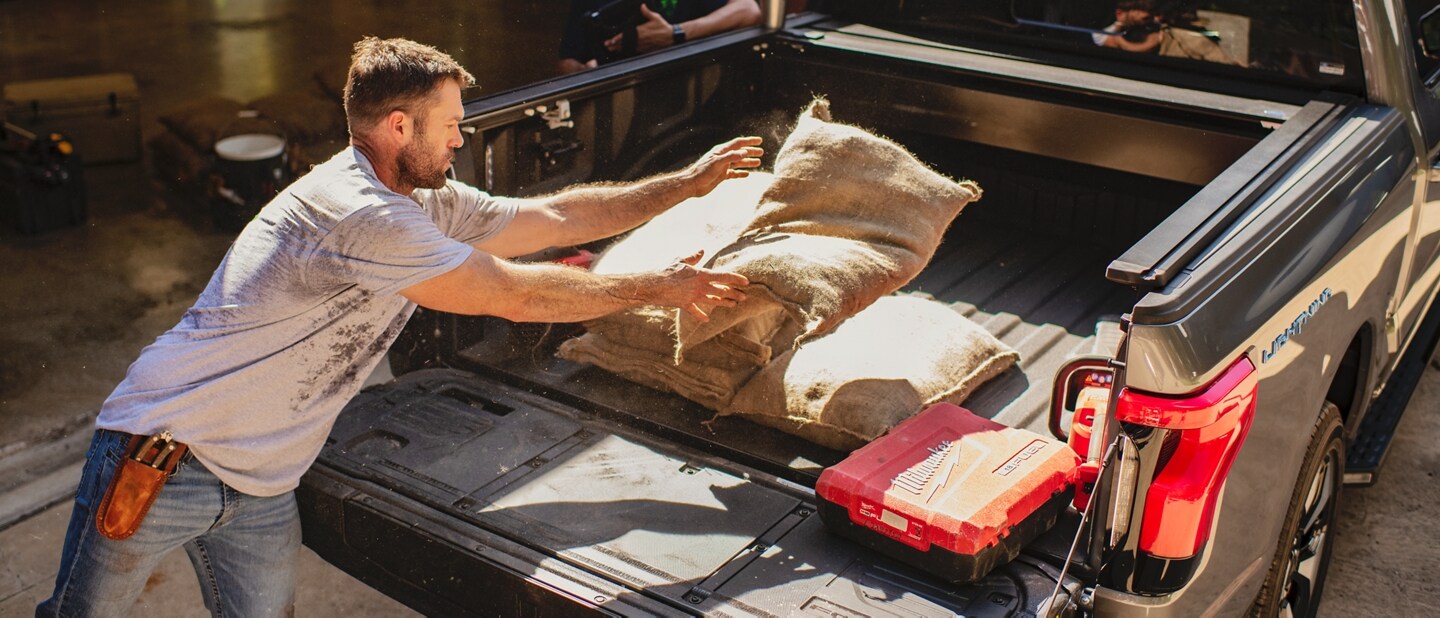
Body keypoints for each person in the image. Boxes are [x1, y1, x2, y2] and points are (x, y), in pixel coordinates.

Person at [37, 36, 760, 617]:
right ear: (399, 127)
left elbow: (555, 216)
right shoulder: (361, 213)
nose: (460, 138)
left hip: (261, 485)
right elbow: (510, 295)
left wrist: (685, 185)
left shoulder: (422, 199)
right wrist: (659, 287)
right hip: (161, 460)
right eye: (450, 125)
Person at [559, 0, 762, 74]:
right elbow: (567, 61)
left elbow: (748, 10)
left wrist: (676, 34)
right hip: (619, 95)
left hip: (689, 85)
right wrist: (587, 71)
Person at [1092, 0, 1243, 66]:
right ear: (1119, 14)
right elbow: (1108, 43)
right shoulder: (1101, 37)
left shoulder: (1180, 38)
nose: (1153, 20)